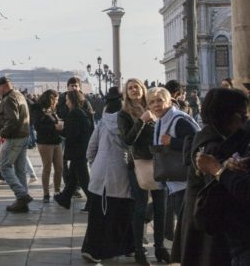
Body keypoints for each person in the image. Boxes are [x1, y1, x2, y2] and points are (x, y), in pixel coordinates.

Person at [174, 87, 250, 266]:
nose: (245, 120)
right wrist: (222, 170)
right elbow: (225, 191)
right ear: (229, 116)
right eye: (243, 115)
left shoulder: (211, 136)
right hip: (211, 234)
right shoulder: (213, 146)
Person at [80, 86, 134, 263]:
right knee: (121, 211)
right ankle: (126, 247)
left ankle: (93, 250)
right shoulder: (129, 120)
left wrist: (95, 165)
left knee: (98, 214)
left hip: (100, 173)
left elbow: (91, 149)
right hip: (121, 171)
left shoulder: (103, 122)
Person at [117, 79, 167, 266]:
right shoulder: (124, 114)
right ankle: (138, 250)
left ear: (143, 89)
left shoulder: (154, 108)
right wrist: (142, 121)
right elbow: (128, 140)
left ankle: (160, 248)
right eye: (130, 88)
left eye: (136, 87)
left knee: (161, 207)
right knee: (139, 207)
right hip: (138, 164)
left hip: (159, 162)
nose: (134, 90)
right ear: (126, 93)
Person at [149, 87, 199, 221]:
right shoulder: (161, 120)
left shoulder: (179, 120)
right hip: (175, 181)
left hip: (185, 182)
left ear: (169, 102)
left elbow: (198, 143)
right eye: (152, 102)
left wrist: (173, 142)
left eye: (159, 100)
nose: (156, 105)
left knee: (187, 223)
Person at [0, 76, 32, 213]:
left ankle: (22, 195)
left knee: (4, 166)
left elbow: (12, 120)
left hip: (15, 137)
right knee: (20, 169)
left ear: (3, 86)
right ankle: (22, 203)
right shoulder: (19, 95)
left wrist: (3, 133)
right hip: (24, 135)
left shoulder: (9, 98)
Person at [54, 90, 94, 210]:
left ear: (72, 100)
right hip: (82, 149)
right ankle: (65, 198)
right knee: (73, 177)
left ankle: (92, 201)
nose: (66, 102)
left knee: (83, 178)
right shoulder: (82, 112)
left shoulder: (74, 114)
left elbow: (72, 134)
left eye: (67, 100)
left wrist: (59, 129)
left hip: (77, 150)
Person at [32, 89, 63, 203]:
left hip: (56, 141)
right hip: (45, 142)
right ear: (50, 98)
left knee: (59, 167)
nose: (57, 102)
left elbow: (55, 121)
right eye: (55, 100)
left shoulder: (52, 109)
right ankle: (46, 193)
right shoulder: (38, 109)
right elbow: (37, 126)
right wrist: (54, 127)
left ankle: (57, 191)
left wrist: (59, 124)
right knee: (47, 168)